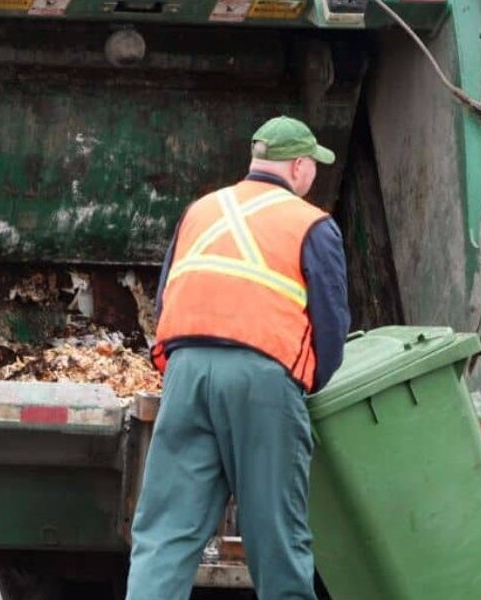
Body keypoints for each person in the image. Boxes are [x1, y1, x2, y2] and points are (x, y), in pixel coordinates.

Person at [127, 116, 350, 600]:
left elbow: (165, 299)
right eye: (314, 165)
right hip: (262, 382)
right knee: (276, 537)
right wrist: (308, 383)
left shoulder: (201, 211)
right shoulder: (311, 223)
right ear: (298, 166)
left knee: (165, 533)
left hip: (186, 374)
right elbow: (331, 325)